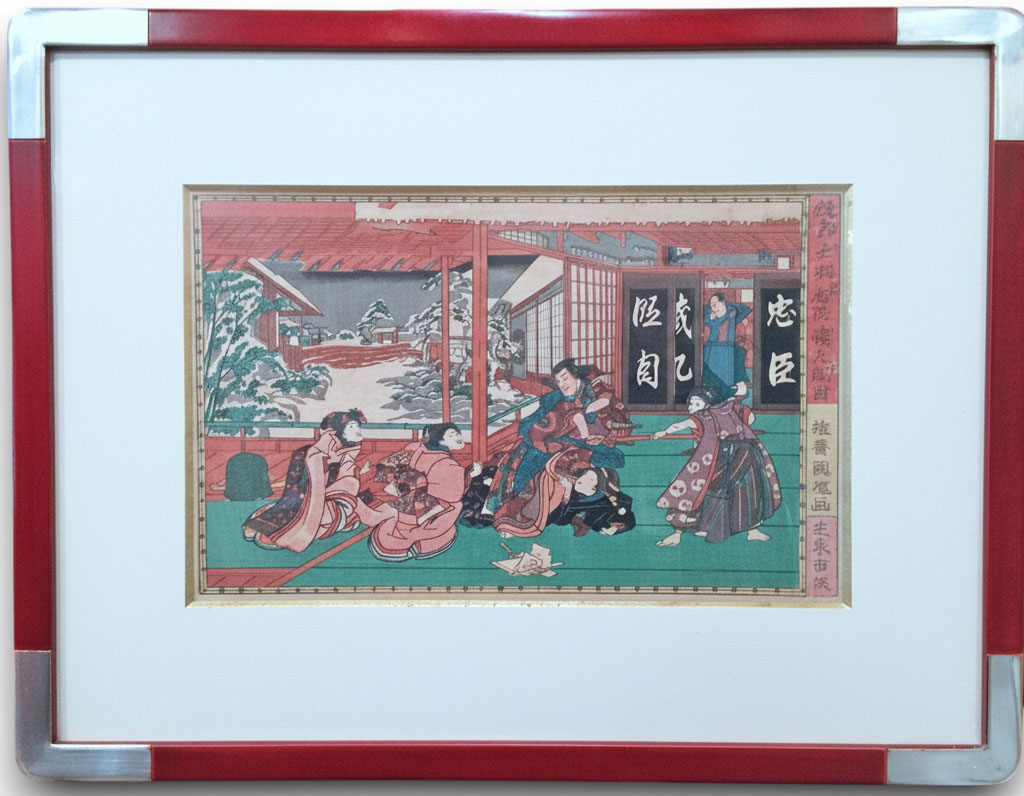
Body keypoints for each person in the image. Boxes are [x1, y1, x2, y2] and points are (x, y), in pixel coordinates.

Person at [480, 358, 631, 538]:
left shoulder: (593, 389)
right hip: (554, 439)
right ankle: (507, 511)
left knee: (611, 458)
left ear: (576, 376)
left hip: (583, 440)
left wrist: (591, 412)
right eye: (558, 381)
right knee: (528, 459)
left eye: (565, 378)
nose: (562, 384)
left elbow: (608, 403)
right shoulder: (555, 397)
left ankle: (521, 515)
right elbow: (542, 418)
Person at [652, 382, 780, 544]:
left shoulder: (708, 415)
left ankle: (751, 530)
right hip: (719, 459)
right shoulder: (717, 413)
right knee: (702, 491)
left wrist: (664, 432)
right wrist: (665, 432)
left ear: (708, 405)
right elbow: (749, 416)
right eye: (691, 403)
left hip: (736, 456)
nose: (692, 407)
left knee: (747, 492)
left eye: (697, 404)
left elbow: (680, 425)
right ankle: (688, 530)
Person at [242, 409, 369, 553]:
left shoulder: (350, 452)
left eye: (358, 426)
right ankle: (272, 523)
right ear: (338, 430)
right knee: (295, 503)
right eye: (352, 426)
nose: (357, 430)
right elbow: (296, 488)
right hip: (308, 496)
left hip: (332, 498)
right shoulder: (311, 452)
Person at [367, 423, 477, 562]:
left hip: (404, 501)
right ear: (439, 440)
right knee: (456, 506)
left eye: (458, 434)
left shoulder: (417, 449)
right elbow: (453, 495)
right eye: (452, 435)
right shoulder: (448, 465)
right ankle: (415, 537)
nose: (458, 437)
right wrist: (469, 476)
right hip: (421, 512)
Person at [546, 466, 636, 537]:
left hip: (573, 503)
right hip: (589, 494)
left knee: (561, 519)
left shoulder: (599, 523)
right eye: (620, 526)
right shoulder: (622, 504)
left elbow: (589, 520)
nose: (618, 527)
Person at [702, 293, 751, 396]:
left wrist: (714, 318)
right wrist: (712, 316)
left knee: (726, 370)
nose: (713, 307)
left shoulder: (731, 311)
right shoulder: (709, 312)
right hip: (712, 344)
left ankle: (729, 389)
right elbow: (709, 322)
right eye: (711, 305)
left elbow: (720, 322)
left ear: (723, 302)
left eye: (715, 304)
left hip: (726, 345)